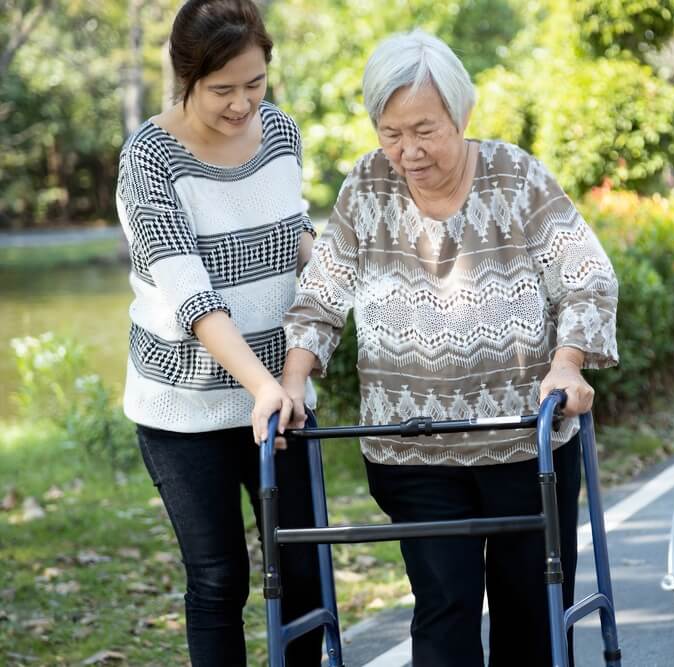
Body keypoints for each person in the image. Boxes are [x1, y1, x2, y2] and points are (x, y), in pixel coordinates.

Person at [271, 30, 619, 667]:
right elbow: (321, 295)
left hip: (524, 445)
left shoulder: (517, 178)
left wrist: (567, 363)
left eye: (424, 129)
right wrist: (295, 379)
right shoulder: (367, 187)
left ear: (462, 113)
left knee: (531, 619)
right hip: (413, 449)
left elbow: (586, 277)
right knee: (444, 610)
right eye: (390, 132)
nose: (408, 151)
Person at [115, 1, 322, 664]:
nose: (243, 105)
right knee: (219, 578)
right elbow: (192, 297)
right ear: (186, 76)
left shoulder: (282, 132)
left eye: (255, 84)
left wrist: (333, 272)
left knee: (305, 573)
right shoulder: (148, 159)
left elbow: (293, 233)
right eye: (223, 89)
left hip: (280, 398)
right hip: (187, 408)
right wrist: (263, 386)